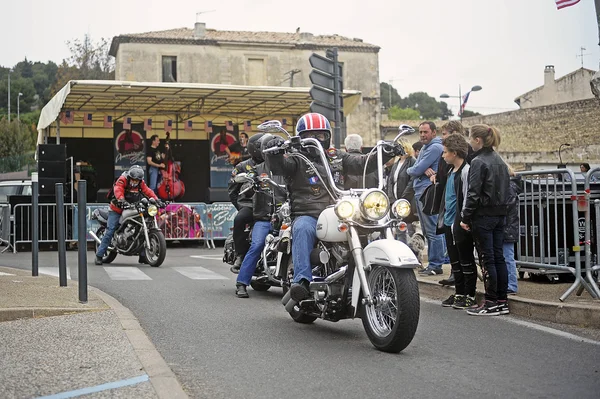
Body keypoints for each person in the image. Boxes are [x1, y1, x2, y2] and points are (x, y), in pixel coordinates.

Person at [264, 113, 400, 301]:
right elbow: (279, 167)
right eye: (309, 136)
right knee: (302, 228)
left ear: (327, 137)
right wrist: (274, 151)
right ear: (300, 138)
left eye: (320, 135)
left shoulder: (337, 156)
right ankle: (301, 280)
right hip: (308, 213)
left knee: (371, 226)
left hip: (339, 212)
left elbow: (362, 163)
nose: (316, 140)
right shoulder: (295, 159)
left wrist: (386, 153)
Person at [460, 124, 510, 316]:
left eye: (471, 139)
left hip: (484, 216)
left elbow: (473, 193)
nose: (469, 143)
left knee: (487, 259)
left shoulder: (478, 161)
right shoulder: (500, 160)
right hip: (500, 215)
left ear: (478, 140)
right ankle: (501, 301)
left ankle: (491, 302)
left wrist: (465, 216)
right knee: (498, 258)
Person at [235, 135, 286, 298]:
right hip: (264, 217)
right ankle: (241, 283)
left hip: (286, 217)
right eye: (271, 150)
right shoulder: (257, 170)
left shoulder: (289, 168)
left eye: (276, 150)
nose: (274, 153)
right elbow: (245, 189)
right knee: (257, 245)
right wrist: (252, 184)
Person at [437, 133, 477, 309]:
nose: (443, 155)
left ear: (454, 153)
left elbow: (467, 196)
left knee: (466, 259)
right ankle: (459, 292)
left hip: (459, 221)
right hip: (448, 221)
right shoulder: (449, 171)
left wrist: (464, 218)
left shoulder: (466, 171)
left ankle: (470, 294)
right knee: (455, 260)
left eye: (445, 152)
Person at [95, 165, 159, 265]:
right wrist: (121, 200)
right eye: (133, 180)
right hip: (117, 209)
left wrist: (156, 200)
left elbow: (148, 191)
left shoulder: (140, 183)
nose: (135, 182)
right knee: (110, 230)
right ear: (129, 178)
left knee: (141, 229)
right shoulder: (122, 180)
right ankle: (99, 255)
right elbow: (118, 190)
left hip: (132, 207)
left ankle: (143, 256)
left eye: (137, 181)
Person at [406, 121, 446, 275]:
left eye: (425, 132)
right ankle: (434, 264)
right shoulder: (425, 147)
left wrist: (418, 169)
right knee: (429, 229)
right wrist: (420, 169)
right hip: (422, 191)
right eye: (420, 132)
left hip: (427, 192)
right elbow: (419, 167)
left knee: (432, 230)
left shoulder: (434, 147)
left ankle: (436, 265)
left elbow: (415, 169)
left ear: (434, 132)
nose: (422, 135)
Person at [432, 121, 465, 286]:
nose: (441, 137)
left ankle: (460, 279)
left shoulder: (463, 163)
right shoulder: (447, 160)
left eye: (444, 134)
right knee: (450, 240)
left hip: (455, 203)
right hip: (447, 198)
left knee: (457, 242)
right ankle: (455, 274)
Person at [227, 133, 264, 273]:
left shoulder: (274, 165)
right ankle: (240, 255)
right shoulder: (242, 167)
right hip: (250, 205)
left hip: (271, 205)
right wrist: (241, 206)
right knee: (239, 219)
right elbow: (232, 190)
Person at [385, 140, 417, 242]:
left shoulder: (412, 162)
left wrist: (403, 198)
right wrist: (392, 199)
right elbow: (390, 182)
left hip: (407, 202)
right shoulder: (396, 164)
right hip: (395, 201)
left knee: (410, 229)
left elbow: (412, 182)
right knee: (399, 230)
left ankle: (414, 252)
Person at [504, 165, 522, 295]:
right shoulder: (511, 186)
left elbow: (505, 206)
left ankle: (511, 284)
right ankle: (509, 283)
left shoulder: (508, 187)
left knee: (507, 256)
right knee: (507, 256)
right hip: (509, 226)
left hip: (507, 226)